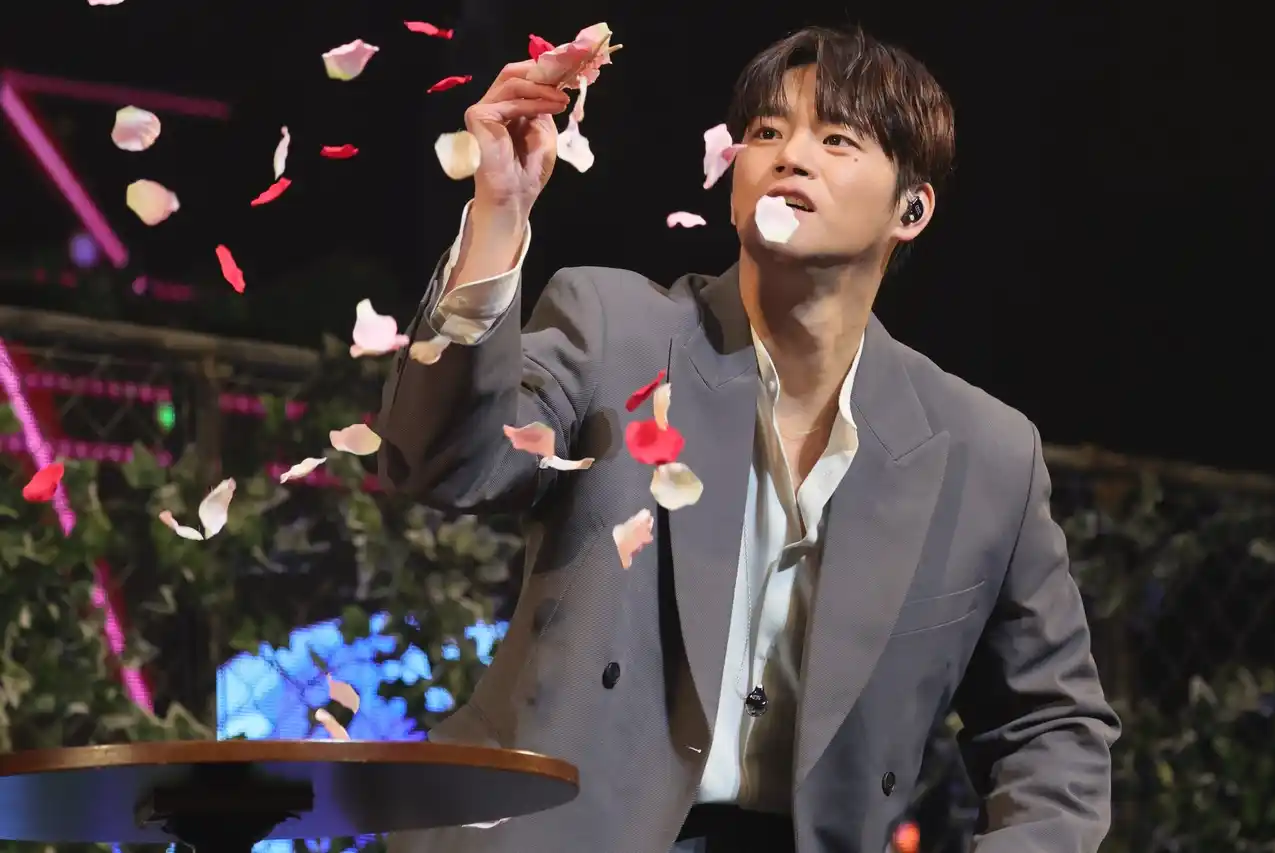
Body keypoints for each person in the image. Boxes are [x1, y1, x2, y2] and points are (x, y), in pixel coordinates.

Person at [378, 24, 1120, 853]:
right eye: (766, 131)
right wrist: (499, 213)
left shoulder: (986, 455)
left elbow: (1052, 724)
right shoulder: (615, 330)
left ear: (910, 209)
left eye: (836, 139)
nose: (789, 155)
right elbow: (446, 462)